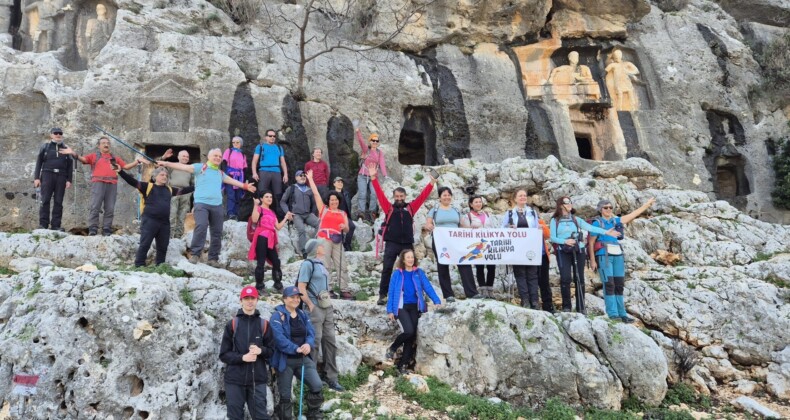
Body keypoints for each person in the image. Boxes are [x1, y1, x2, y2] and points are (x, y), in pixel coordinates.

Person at [157, 149, 256, 267]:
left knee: (217, 231)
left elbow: (231, 180)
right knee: (201, 226)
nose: (218, 158)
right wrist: (166, 163)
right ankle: (195, 254)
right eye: (215, 155)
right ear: (209, 157)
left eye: (220, 156)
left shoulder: (220, 173)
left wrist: (245, 186)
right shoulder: (201, 167)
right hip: (201, 203)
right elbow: (183, 167)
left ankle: (213, 259)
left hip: (217, 205)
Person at [369, 163, 435, 306]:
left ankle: (414, 294)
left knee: (411, 268)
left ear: (405, 196)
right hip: (392, 243)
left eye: (401, 196)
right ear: (394, 197)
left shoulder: (411, 208)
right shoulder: (389, 208)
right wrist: (373, 178)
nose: (399, 198)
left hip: (407, 244)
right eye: (397, 196)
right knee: (387, 269)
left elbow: (422, 197)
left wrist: (432, 183)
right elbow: (379, 194)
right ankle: (382, 295)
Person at [589, 197, 655, 322]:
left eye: (610, 207)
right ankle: (612, 313)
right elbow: (591, 242)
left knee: (619, 284)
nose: (609, 209)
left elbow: (632, 215)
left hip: (618, 254)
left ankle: (622, 313)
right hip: (604, 255)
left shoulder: (615, 221)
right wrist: (592, 260)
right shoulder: (597, 223)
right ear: (600, 209)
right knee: (609, 283)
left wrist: (647, 205)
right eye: (605, 207)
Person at [549, 196, 617, 312]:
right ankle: (566, 307)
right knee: (565, 278)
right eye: (566, 202)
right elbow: (552, 237)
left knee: (579, 278)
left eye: (570, 202)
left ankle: (581, 307)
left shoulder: (576, 219)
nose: (569, 204)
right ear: (560, 205)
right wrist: (565, 241)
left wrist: (606, 232)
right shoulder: (555, 220)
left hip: (578, 250)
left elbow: (590, 227)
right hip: (563, 251)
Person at [117, 165, 194, 267]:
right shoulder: (147, 187)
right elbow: (132, 181)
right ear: (155, 176)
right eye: (162, 175)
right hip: (149, 221)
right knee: (145, 244)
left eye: (166, 175)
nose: (164, 177)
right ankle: (139, 265)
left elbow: (183, 191)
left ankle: (160, 266)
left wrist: (199, 185)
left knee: (163, 246)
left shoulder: (169, 189)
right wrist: (120, 171)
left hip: (164, 223)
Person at [219, 286, 275, 420]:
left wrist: (261, 350)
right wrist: (243, 357)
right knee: (235, 417)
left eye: (253, 298)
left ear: (257, 300)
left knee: (261, 416)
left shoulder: (264, 325)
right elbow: (224, 354)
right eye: (246, 298)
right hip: (234, 380)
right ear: (241, 301)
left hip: (257, 380)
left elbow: (272, 351)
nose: (250, 301)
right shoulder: (232, 324)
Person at [297, 239, 345, 392]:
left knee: (330, 340)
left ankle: (331, 377)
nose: (323, 247)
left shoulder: (321, 263)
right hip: (314, 307)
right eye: (320, 245)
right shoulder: (307, 264)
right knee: (315, 341)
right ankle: (312, 378)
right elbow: (301, 287)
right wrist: (309, 304)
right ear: (315, 249)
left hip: (326, 306)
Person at [270, 286, 324, 420]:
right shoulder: (277, 316)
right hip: (285, 360)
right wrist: (295, 348)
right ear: (284, 299)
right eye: (292, 297)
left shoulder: (302, 314)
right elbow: (279, 338)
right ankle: (286, 417)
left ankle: (313, 413)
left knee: (317, 385)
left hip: (303, 359)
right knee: (285, 395)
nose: (296, 300)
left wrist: (308, 344)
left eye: (298, 297)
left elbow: (311, 333)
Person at [385, 249, 442, 374]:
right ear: (403, 260)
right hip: (401, 307)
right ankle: (393, 348)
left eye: (412, 257)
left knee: (411, 337)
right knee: (408, 331)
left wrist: (436, 300)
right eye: (408, 257)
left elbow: (427, 287)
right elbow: (391, 292)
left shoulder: (418, 273)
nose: (411, 259)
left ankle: (402, 366)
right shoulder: (397, 274)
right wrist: (390, 310)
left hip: (415, 307)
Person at [70, 136, 139, 236]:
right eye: (103, 143)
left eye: (108, 143)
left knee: (110, 207)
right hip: (98, 183)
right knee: (95, 206)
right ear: (99, 146)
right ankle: (93, 228)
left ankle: (106, 228)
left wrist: (137, 161)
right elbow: (84, 160)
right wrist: (74, 154)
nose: (106, 145)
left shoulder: (114, 159)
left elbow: (126, 167)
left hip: (112, 184)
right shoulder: (95, 156)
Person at [425, 187, 480, 301]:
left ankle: (472, 293)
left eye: (449, 195)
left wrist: (471, 228)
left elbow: (462, 224)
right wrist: (429, 226)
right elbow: (428, 223)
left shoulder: (456, 209)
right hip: (440, 242)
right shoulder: (434, 210)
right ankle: (448, 295)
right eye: (444, 195)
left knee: (464, 262)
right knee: (443, 266)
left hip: (456, 241)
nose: (447, 197)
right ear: (439, 197)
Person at [305, 170, 353, 300]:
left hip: (337, 239)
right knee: (325, 264)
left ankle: (344, 289)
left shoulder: (342, 213)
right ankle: (328, 288)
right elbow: (316, 194)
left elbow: (347, 229)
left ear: (338, 201)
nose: (334, 202)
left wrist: (344, 227)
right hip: (324, 239)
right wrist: (311, 179)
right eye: (332, 200)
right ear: (328, 201)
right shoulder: (323, 210)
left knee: (342, 264)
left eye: (336, 200)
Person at [502, 189, 542, 309]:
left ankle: (534, 301)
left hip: (531, 247)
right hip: (517, 248)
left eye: (525, 195)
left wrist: (539, 229)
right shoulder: (509, 214)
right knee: (520, 274)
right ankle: (525, 300)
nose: (523, 197)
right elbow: (502, 229)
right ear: (515, 198)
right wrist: (509, 228)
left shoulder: (532, 213)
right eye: (520, 196)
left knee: (532, 274)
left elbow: (536, 228)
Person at [248, 191, 292, 295]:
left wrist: (286, 217)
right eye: (266, 197)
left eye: (271, 197)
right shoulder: (259, 209)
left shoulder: (272, 212)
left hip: (270, 238)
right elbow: (254, 219)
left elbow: (278, 227)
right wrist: (255, 205)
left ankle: (277, 284)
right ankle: (259, 286)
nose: (269, 199)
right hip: (261, 237)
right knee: (261, 262)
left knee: (276, 261)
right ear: (261, 199)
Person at [34, 127, 74, 231]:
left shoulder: (66, 148)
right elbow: (39, 162)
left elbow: (70, 165)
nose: (58, 135)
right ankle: (43, 224)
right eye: (55, 133)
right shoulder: (45, 147)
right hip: (47, 174)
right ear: (51, 135)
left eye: (60, 133)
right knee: (45, 199)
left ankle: (56, 225)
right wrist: (36, 178)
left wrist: (69, 180)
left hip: (61, 176)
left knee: (58, 201)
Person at [460, 195, 496, 298]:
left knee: (491, 266)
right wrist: (471, 229)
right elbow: (464, 231)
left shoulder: (487, 214)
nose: (478, 204)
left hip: (488, 244)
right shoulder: (468, 216)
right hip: (477, 245)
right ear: (471, 204)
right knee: (480, 266)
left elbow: (492, 228)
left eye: (480, 202)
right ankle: (483, 289)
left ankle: (490, 289)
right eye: (476, 202)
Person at [281, 170, 319, 257]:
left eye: (304, 175)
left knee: (320, 224)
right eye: (300, 175)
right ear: (296, 178)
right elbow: (282, 202)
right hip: (296, 215)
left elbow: (314, 203)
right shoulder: (291, 188)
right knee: (301, 229)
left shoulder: (309, 189)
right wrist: (288, 212)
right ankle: (304, 250)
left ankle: (313, 243)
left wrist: (313, 213)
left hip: (308, 214)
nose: (303, 177)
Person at [251, 129, 288, 218]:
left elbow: (283, 162)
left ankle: (279, 216)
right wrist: (254, 173)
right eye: (270, 136)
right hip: (264, 171)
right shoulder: (260, 147)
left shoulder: (279, 147)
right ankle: (260, 215)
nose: (272, 137)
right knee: (262, 193)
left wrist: (285, 174)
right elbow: (254, 161)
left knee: (278, 194)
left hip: (276, 171)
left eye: (274, 136)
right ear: (266, 137)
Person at [355, 128, 387, 223]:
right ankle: (361, 213)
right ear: (370, 141)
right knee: (362, 194)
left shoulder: (379, 152)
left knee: (374, 194)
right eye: (373, 140)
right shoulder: (366, 150)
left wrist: (385, 175)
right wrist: (358, 132)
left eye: (377, 141)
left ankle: (372, 213)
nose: (375, 142)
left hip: (373, 176)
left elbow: (382, 164)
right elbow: (361, 141)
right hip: (362, 175)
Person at [160, 148, 193, 238]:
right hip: (173, 192)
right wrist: (163, 157)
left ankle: (178, 237)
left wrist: (191, 194)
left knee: (182, 216)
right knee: (172, 215)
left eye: (187, 157)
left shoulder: (190, 168)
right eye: (183, 156)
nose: (185, 158)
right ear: (178, 157)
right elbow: (158, 167)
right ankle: (169, 236)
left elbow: (193, 183)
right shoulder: (172, 166)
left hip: (186, 194)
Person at [222, 136, 248, 221]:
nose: (235, 144)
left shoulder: (243, 154)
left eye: (237, 142)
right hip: (230, 175)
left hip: (240, 177)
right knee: (231, 195)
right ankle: (230, 213)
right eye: (233, 142)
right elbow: (224, 162)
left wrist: (245, 181)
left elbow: (244, 168)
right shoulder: (228, 151)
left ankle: (236, 214)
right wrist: (226, 174)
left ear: (241, 144)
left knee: (238, 196)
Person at [330, 177, 355, 252]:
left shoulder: (346, 194)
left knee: (352, 226)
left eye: (341, 182)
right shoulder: (331, 194)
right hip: (335, 215)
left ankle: (347, 244)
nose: (340, 183)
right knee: (338, 229)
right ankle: (339, 245)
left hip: (345, 216)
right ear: (334, 184)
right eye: (338, 182)